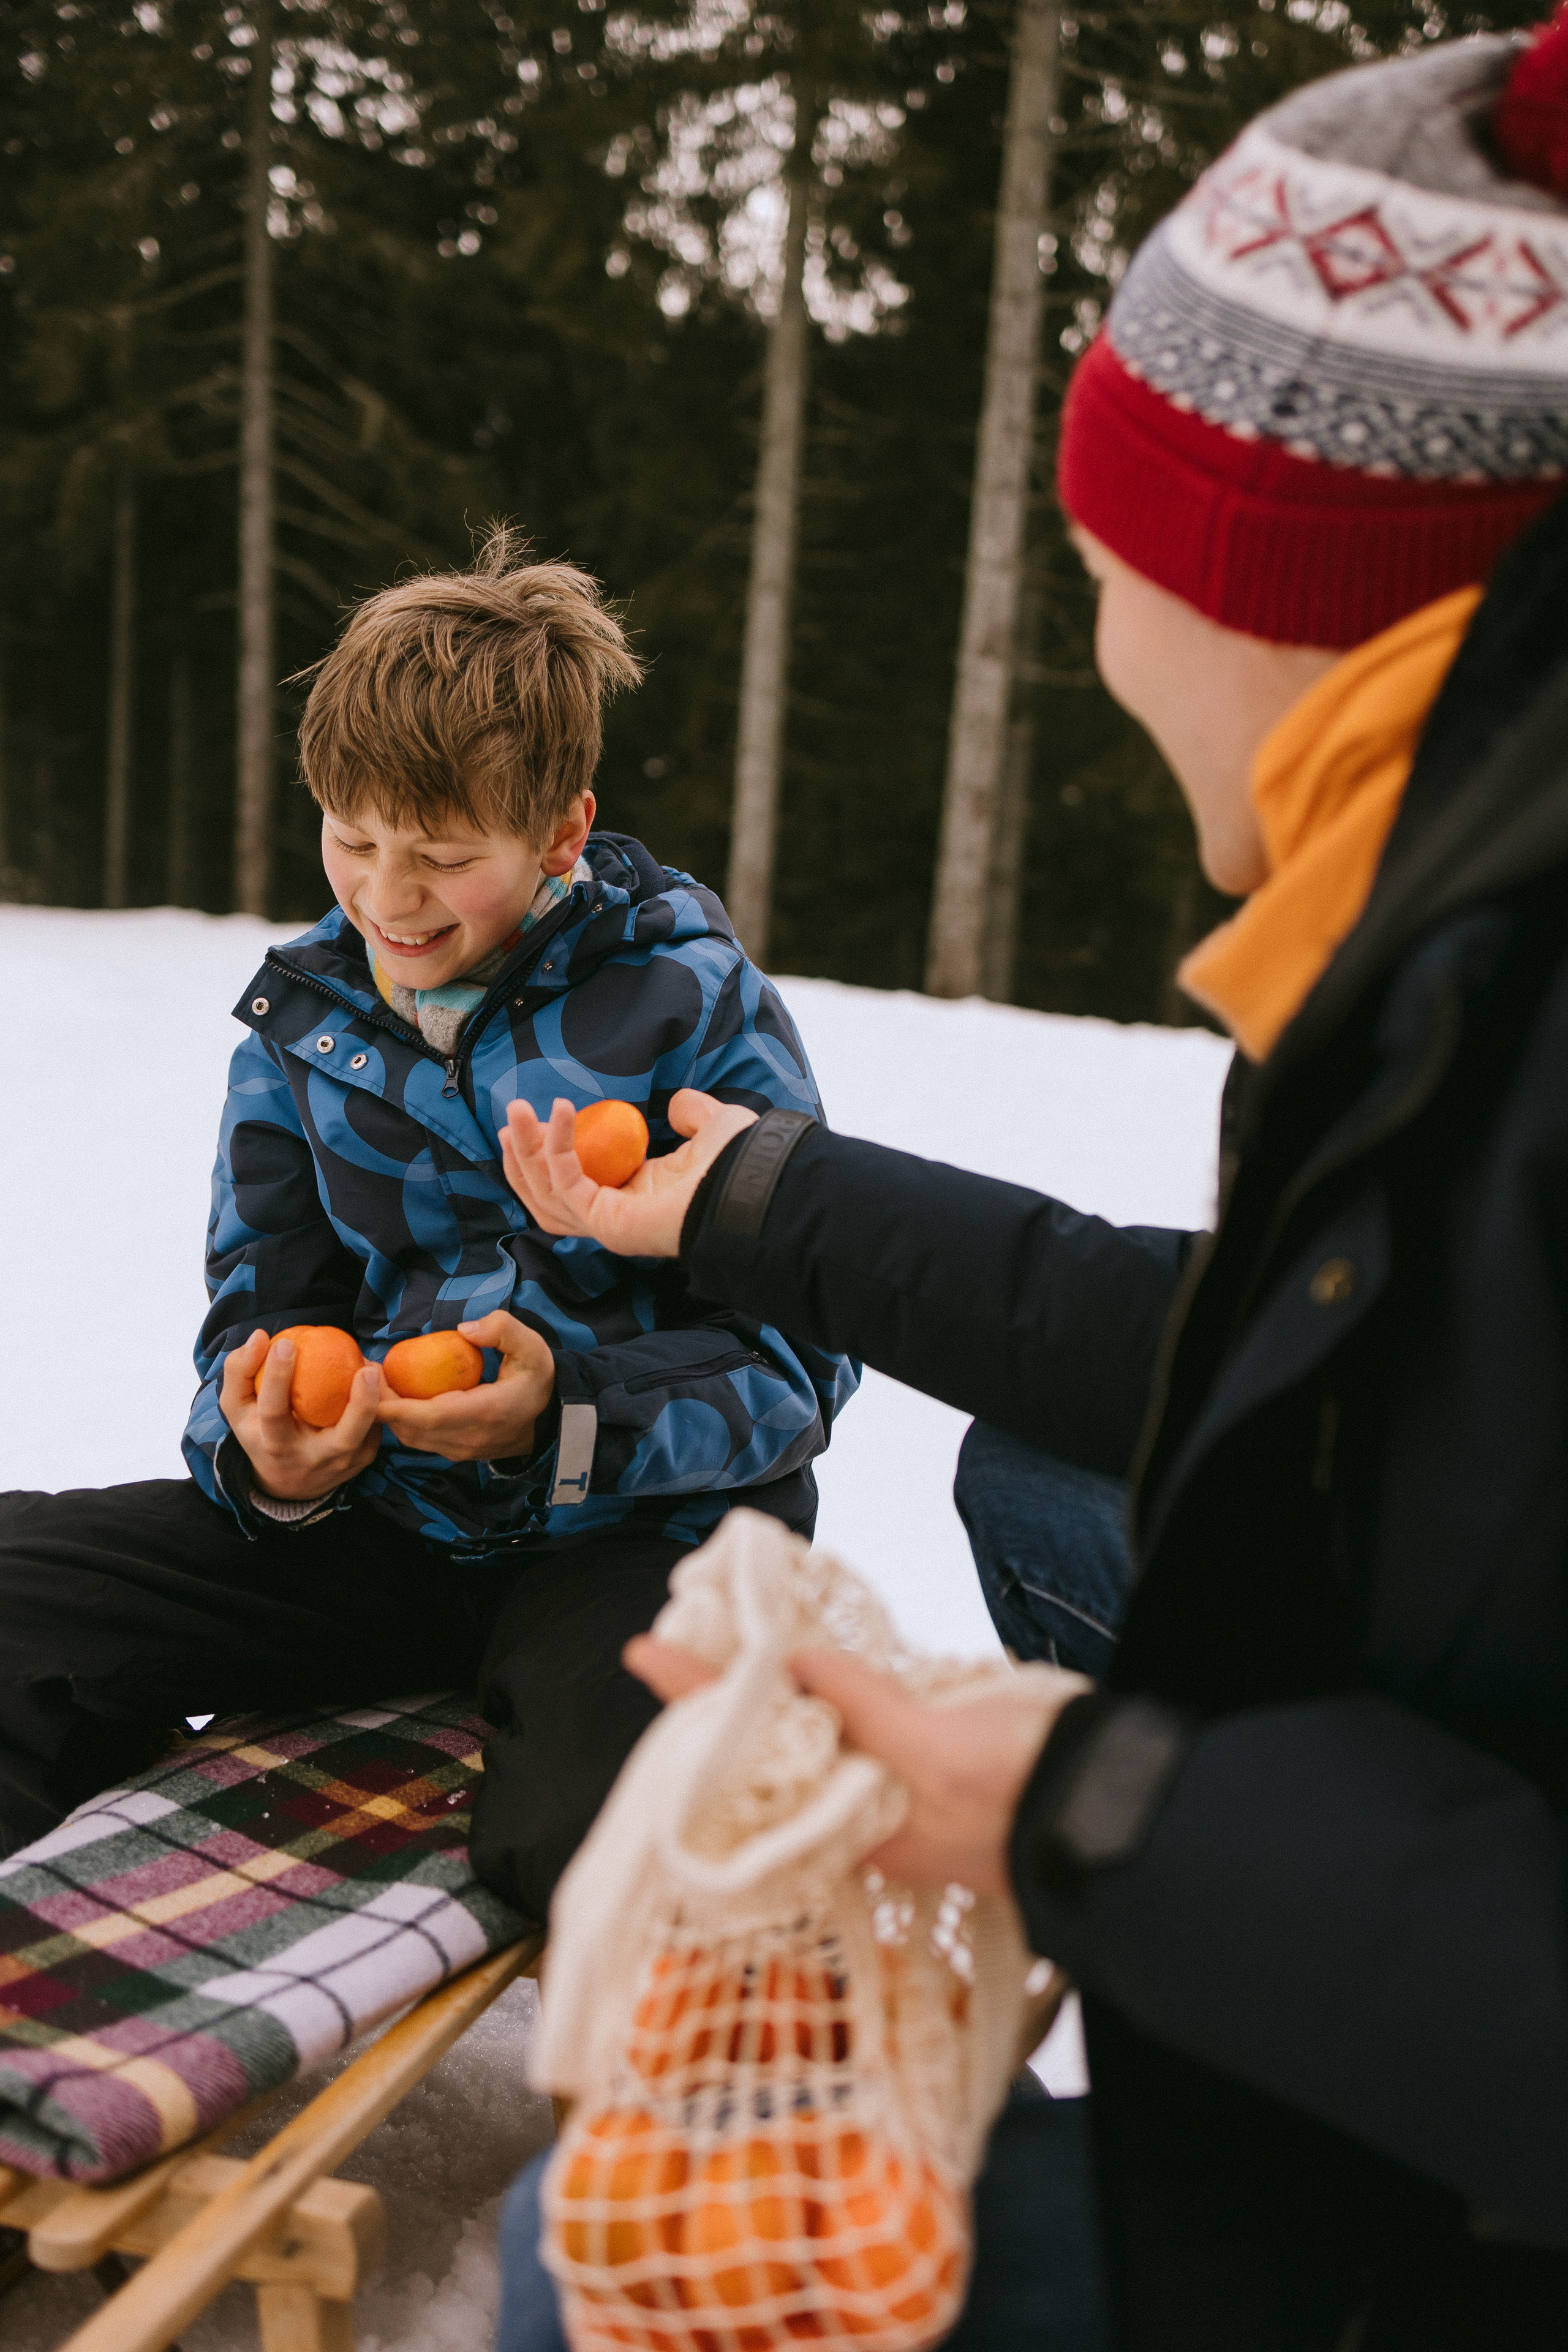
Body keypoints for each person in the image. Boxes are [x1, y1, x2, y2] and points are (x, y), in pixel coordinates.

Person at [494, 24, 1568, 2347]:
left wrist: (1118, 1817)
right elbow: (1270, 1353)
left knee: (584, 2271)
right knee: (1055, 1469)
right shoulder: (1454, 909)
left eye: (1111, 564)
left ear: (1298, 590)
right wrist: (766, 1198)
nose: (1099, 645)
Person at [0, 532, 856, 1924]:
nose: (388, 899)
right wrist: (270, 1452)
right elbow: (259, 1314)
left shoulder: (695, 1009)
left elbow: (802, 1364)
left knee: (612, 1825)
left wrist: (558, 1415)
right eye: (352, 840)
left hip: (640, 1541)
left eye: (443, 858)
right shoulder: (302, 1026)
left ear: (562, 834)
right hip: (387, 1532)